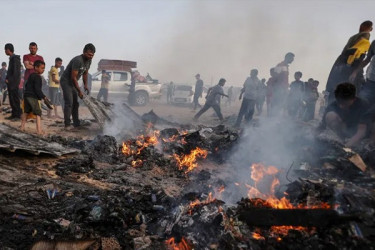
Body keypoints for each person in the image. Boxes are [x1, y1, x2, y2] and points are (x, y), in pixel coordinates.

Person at [326, 21, 373, 104]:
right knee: (353, 93)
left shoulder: (353, 39)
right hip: (350, 68)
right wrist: (354, 72)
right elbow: (357, 55)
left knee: (338, 91)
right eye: (371, 28)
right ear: (368, 28)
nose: (372, 29)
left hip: (340, 67)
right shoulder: (365, 42)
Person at [323, 82, 371, 147]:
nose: (341, 106)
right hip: (346, 131)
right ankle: (342, 139)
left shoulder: (363, 105)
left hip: (361, 134)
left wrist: (347, 146)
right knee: (330, 116)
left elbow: (361, 131)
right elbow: (322, 125)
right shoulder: (334, 104)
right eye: (340, 102)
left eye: (344, 103)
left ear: (354, 99)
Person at [60, 43, 95, 129]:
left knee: (76, 103)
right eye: (89, 54)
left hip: (73, 82)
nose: (91, 56)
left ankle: (76, 123)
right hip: (66, 81)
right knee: (69, 103)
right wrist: (79, 91)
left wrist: (85, 85)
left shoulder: (89, 61)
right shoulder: (78, 60)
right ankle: (67, 125)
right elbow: (73, 77)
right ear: (84, 52)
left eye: (92, 55)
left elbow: (85, 73)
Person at [21, 60, 51, 134]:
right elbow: (37, 90)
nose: (43, 70)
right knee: (38, 113)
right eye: (42, 68)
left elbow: (26, 85)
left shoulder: (31, 75)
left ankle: (22, 127)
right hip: (32, 97)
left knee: (26, 112)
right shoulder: (38, 77)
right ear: (36, 67)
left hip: (26, 96)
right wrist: (44, 97)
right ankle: (39, 130)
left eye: (44, 68)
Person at [350, 39, 375, 105]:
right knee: (360, 104)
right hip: (370, 81)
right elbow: (367, 60)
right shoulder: (374, 43)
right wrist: (355, 72)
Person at [4, 43, 22, 121]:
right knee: (11, 99)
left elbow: (16, 72)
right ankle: (14, 114)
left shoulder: (15, 59)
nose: (4, 51)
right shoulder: (12, 58)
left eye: (5, 49)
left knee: (15, 99)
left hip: (14, 83)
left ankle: (17, 115)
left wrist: (10, 80)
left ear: (8, 50)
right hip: (11, 83)